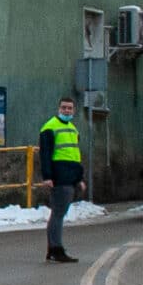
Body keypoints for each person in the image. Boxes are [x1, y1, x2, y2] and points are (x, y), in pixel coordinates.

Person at [38, 95, 85, 264]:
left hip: (71, 177)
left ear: (74, 110)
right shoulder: (49, 127)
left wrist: (79, 178)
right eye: (64, 108)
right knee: (58, 213)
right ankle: (56, 250)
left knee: (59, 213)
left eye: (69, 108)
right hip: (60, 177)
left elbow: (75, 155)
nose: (66, 110)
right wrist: (47, 177)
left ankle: (53, 249)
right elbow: (45, 154)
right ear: (59, 109)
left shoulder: (73, 129)